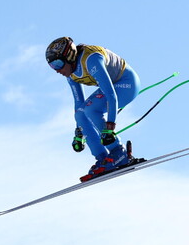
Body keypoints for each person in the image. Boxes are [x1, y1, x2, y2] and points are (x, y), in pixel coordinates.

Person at [45, 37, 141, 179]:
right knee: (80, 114)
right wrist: (79, 133)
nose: (57, 70)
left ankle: (118, 153)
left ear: (70, 56)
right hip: (111, 88)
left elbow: (110, 94)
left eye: (58, 63)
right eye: (52, 66)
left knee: (91, 110)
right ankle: (103, 158)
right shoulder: (70, 72)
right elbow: (78, 103)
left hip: (127, 83)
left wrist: (110, 127)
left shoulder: (91, 60)